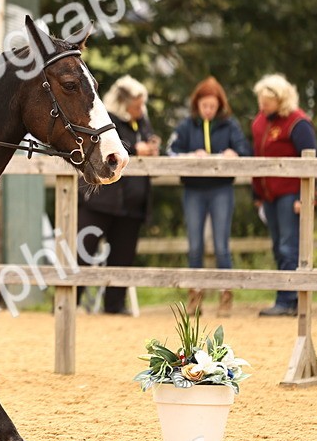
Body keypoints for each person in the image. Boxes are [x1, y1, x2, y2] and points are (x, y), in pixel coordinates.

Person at [168, 77, 252, 317]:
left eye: (212, 106)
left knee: (221, 245)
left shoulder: (229, 125)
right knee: (195, 245)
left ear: (219, 106)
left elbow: (245, 150)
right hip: (194, 190)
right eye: (204, 105)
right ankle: (195, 295)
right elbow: (171, 150)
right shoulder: (186, 125)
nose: (208, 110)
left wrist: (233, 153)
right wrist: (191, 155)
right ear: (197, 104)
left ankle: (226, 295)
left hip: (221, 189)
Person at [77, 76, 160, 314]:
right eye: (136, 105)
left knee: (123, 256)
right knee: (82, 252)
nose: (140, 109)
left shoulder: (142, 122)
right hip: (101, 201)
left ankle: (115, 305)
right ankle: (68, 302)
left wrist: (153, 148)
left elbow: (149, 144)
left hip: (132, 203)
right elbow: (104, 147)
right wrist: (134, 149)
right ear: (124, 103)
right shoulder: (106, 118)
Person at [251, 73, 317, 317]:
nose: (262, 106)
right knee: (278, 247)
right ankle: (287, 297)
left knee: (288, 247)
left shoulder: (297, 123)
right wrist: (256, 193)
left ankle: (288, 300)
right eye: (261, 101)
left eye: (267, 102)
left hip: (290, 193)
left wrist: (306, 196)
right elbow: (256, 157)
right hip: (268, 195)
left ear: (280, 100)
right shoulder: (260, 122)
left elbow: (311, 159)